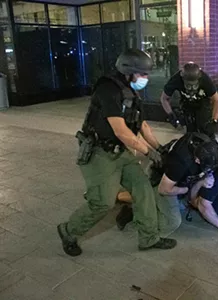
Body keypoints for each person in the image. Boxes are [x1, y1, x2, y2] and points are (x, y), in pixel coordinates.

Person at [57, 49, 178, 257]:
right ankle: (68, 231)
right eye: (143, 74)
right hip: (98, 153)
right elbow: (121, 131)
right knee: (103, 202)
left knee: (143, 189)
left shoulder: (131, 91)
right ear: (128, 71)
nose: (145, 78)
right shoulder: (107, 90)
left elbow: (142, 125)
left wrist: (159, 148)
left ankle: (149, 238)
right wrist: (149, 153)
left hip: (120, 151)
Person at [115, 132, 218, 231]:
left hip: (178, 175)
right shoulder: (180, 162)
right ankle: (132, 209)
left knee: (181, 205)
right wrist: (185, 189)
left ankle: (124, 196)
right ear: (197, 160)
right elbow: (164, 189)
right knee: (171, 220)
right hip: (162, 177)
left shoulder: (207, 144)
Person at [160, 62, 218, 138]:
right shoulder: (176, 80)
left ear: (199, 80)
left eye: (194, 85)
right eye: (188, 86)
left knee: (205, 129)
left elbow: (216, 100)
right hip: (186, 103)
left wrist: (214, 121)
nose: (192, 89)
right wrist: (171, 115)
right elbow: (164, 98)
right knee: (190, 131)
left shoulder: (205, 79)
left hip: (203, 102)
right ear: (183, 79)